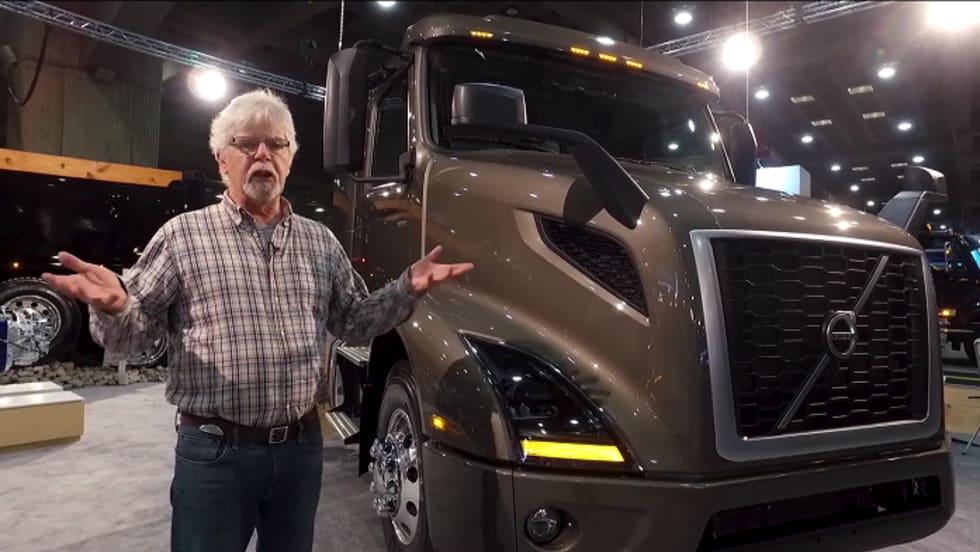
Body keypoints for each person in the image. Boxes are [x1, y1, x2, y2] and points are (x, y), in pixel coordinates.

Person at [41, 88, 474, 552]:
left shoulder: (319, 242)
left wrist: (407, 288)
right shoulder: (183, 237)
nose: (263, 154)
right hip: (215, 453)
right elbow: (134, 338)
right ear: (222, 160)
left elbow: (352, 321)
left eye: (276, 144)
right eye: (247, 144)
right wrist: (113, 307)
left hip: (300, 450)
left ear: (290, 158)